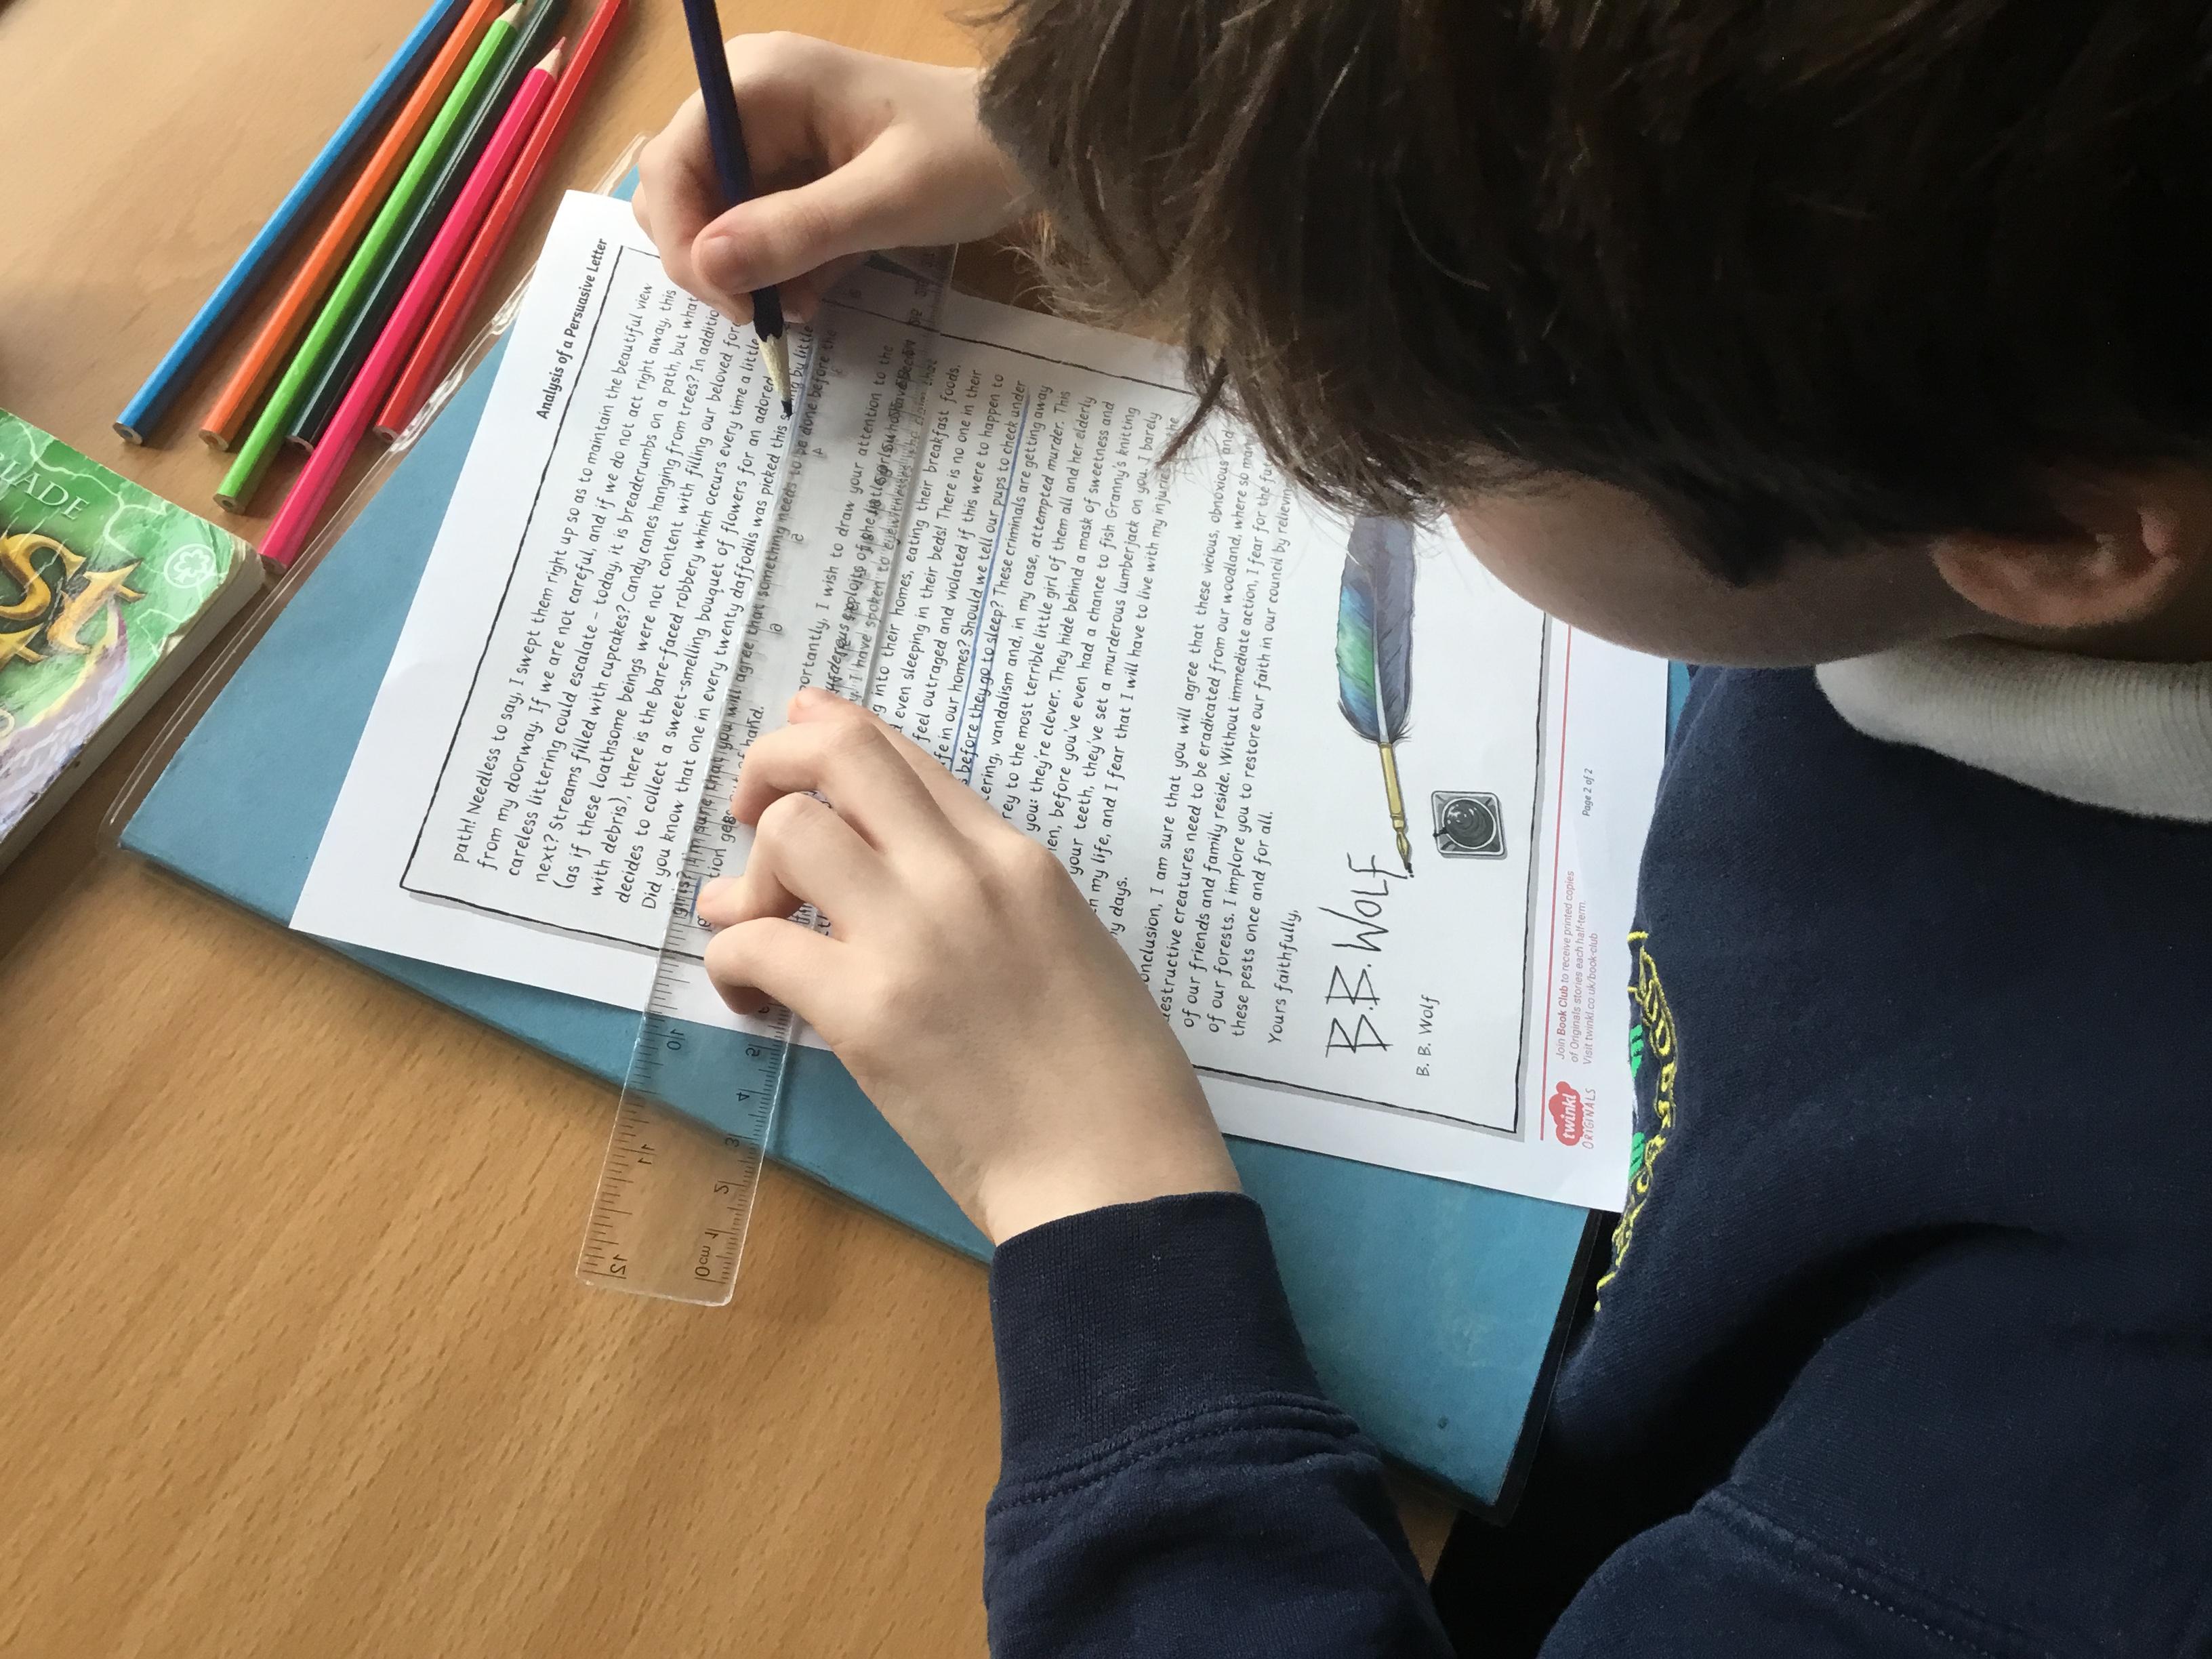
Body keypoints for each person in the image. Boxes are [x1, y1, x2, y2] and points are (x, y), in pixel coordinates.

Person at [633, 9, 2212, 1654]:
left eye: (1447, 445)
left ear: (2055, 534)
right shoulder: (2052, 355)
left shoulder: (2122, 1426)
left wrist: (1090, 1188)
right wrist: (1207, 162)